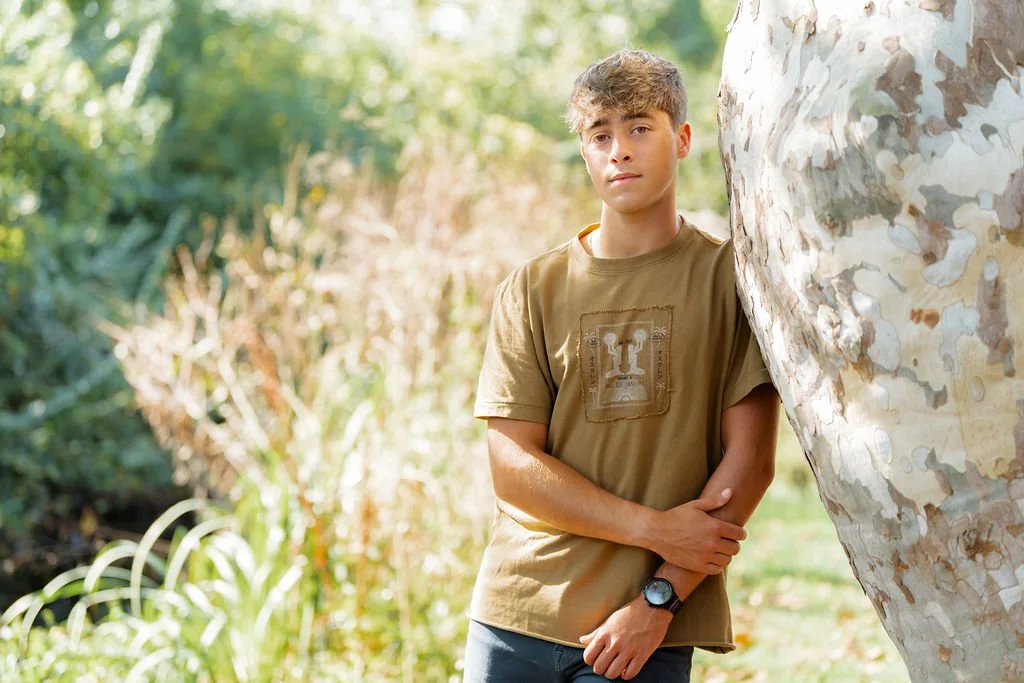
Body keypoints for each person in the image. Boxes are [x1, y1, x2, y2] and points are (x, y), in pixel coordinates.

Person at [463, 48, 780, 683]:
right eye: (599, 135)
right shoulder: (534, 288)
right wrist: (656, 528)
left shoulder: (731, 281)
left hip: (640, 635)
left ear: (683, 138)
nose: (620, 151)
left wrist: (658, 601)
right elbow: (513, 468)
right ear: (584, 152)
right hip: (513, 617)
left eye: (639, 127)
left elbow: (746, 470)